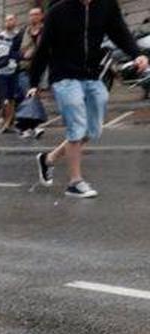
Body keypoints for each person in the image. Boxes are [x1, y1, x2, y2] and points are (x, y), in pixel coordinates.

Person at [30, 0, 149, 198]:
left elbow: (120, 33)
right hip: (64, 76)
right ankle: (75, 182)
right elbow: (44, 48)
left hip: (92, 77)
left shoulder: (106, 6)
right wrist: (34, 83)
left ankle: (48, 159)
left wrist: (137, 54)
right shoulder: (58, 10)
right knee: (76, 125)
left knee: (91, 130)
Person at [0, 14, 24, 133]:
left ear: (15, 21)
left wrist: (16, 58)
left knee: (12, 97)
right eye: (6, 20)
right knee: (3, 97)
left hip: (13, 70)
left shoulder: (19, 36)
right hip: (1, 70)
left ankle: (8, 123)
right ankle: (3, 120)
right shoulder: (0, 37)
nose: (8, 22)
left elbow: (21, 51)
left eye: (11, 20)